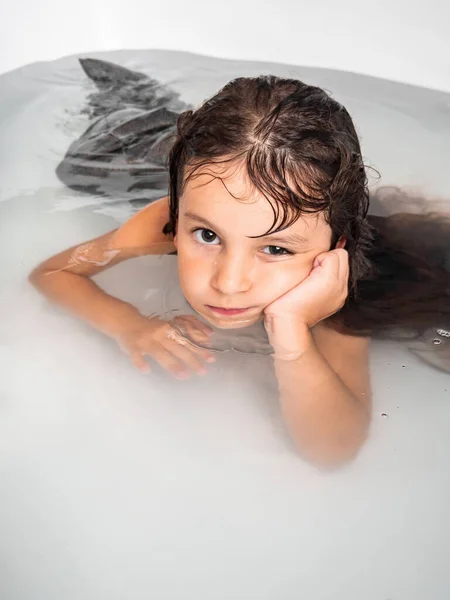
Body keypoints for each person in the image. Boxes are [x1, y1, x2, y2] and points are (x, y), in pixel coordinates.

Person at [29, 75, 450, 468]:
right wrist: (128, 326)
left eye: (274, 248)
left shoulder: (341, 304)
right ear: (177, 217)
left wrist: (292, 337)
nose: (228, 283)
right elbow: (52, 274)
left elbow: (331, 451)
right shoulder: (163, 222)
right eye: (207, 236)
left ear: (333, 250)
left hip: (407, 267)